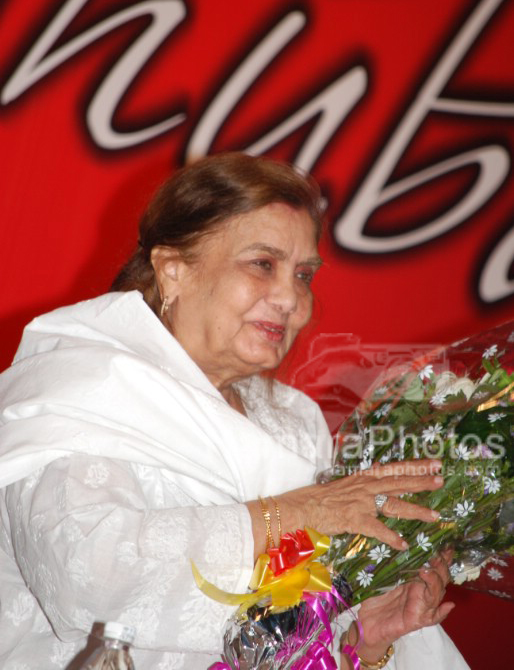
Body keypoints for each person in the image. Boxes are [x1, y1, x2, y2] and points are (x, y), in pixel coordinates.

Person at [0, 153, 469, 670]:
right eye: (262, 264)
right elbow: (88, 577)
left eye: (305, 275)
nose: (291, 298)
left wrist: (364, 637)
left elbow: (277, 635)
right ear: (173, 270)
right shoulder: (84, 387)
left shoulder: (293, 423)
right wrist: (299, 511)